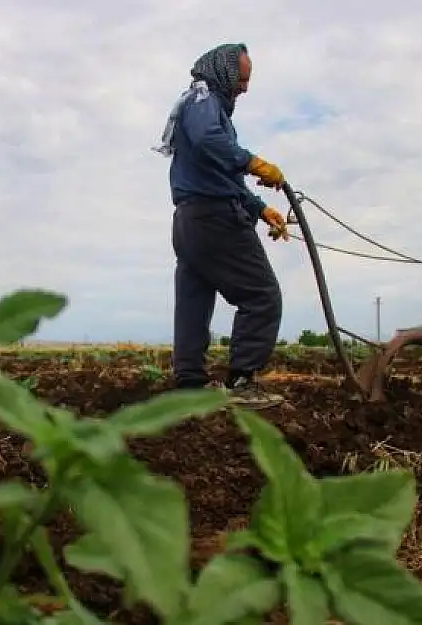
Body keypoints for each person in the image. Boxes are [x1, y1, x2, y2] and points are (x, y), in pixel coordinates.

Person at [152, 42, 290, 409]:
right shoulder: (203, 101)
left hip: (190, 220)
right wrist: (253, 162)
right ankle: (242, 382)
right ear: (224, 72)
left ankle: (190, 385)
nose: (245, 88)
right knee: (262, 296)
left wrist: (261, 210)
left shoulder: (204, 107)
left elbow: (218, 173)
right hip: (214, 219)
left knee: (194, 301)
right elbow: (211, 143)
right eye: (242, 80)